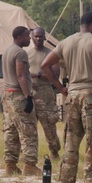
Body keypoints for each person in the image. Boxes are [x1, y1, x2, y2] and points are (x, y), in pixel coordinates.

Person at [41, 11, 92, 183]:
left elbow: (45, 65)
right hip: (91, 95)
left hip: (72, 95)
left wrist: (61, 88)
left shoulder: (66, 42)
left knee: (70, 144)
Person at [1, 26, 37, 176]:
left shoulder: (7, 50)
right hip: (18, 95)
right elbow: (20, 74)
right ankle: (29, 165)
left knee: (11, 131)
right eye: (28, 36)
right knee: (28, 131)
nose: (30, 39)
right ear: (20, 36)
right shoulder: (20, 52)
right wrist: (28, 96)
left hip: (8, 95)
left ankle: (10, 164)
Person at [25, 27, 61, 161]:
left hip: (45, 92)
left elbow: (55, 76)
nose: (38, 39)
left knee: (49, 124)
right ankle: (29, 155)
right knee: (28, 125)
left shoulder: (50, 54)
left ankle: (54, 150)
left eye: (41, 36)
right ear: (31, 37)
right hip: (30, 91)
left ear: (45, 38)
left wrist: (40, 75)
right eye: (36, 36)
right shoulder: (26, 54)